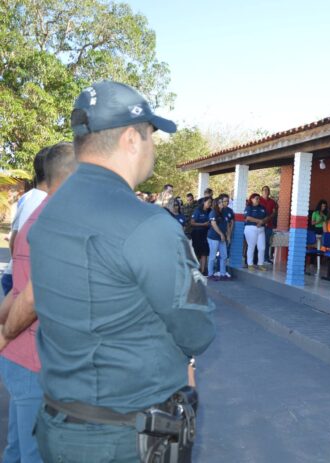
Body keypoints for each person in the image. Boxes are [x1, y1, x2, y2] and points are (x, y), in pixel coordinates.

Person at [28, 81, 216, 462]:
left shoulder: (49, 214)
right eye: (152, 136)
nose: (153, 146)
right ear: (132, 138)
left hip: (59, 424)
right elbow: (196, 330)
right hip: (121, 438)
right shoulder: (146, 224)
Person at [0, 142, 76, 463]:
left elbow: (18, 290)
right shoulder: (57, 223)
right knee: (34, 453)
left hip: (24, 357)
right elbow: (31, 298)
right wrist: (5, 334)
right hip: (34, 360)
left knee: (18, 448)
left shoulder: (45, 215)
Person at [2, 148, 50, 296]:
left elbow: (14, 239)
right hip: (26, 280)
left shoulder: (27, 197)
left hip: (13, 274)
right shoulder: (48, 203)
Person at [208, 196, 231, 280]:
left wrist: (228, 235)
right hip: (214, 237)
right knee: (213, 256)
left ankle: (222, 274)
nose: (222, 203)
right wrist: (221, 234)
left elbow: (228, 224)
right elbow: (214, 225)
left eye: (222, 202)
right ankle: (210, 274)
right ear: (216, 204)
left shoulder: (224, 212)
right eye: (220, 202)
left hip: (222, 238)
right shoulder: (213, 212)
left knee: (224, 256)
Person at [244, 193, 267, 271]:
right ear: (252, 199)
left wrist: (262, 221)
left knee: (262, 248)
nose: (258, 200)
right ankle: (250, 264)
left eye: (258, 198)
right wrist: (259, 221)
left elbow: (266, 217)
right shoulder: (249, 207)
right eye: (256, 198)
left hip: (261, 229)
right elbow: (248, 218)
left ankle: (260, 264)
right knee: (251, 246)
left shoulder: (262, 207)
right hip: (251, 228)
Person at [191, 197, 213, 275]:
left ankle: (203, 270)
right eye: (208, 202)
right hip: (197, 233)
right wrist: (203, 224)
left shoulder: (210, 211)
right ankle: (196, 269)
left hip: (206, 234)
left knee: (205, 252)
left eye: (211, 203)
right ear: (204, 202)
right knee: (197, 252)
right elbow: (192, 223)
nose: (210, 204)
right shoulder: (197, 210)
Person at [259, 186, 277, 264]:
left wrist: (267, 219)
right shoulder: (259, 200)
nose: (266, 191)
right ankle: (257, 259)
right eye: (264, 190)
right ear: (262, 191)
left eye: (267, 190)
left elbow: (274, 212)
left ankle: (266, 258)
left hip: (269, 225)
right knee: (258, 242)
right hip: (259, 224)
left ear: (269, 192)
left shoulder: (272, 202)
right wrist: (262, 221)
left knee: (267, 242)